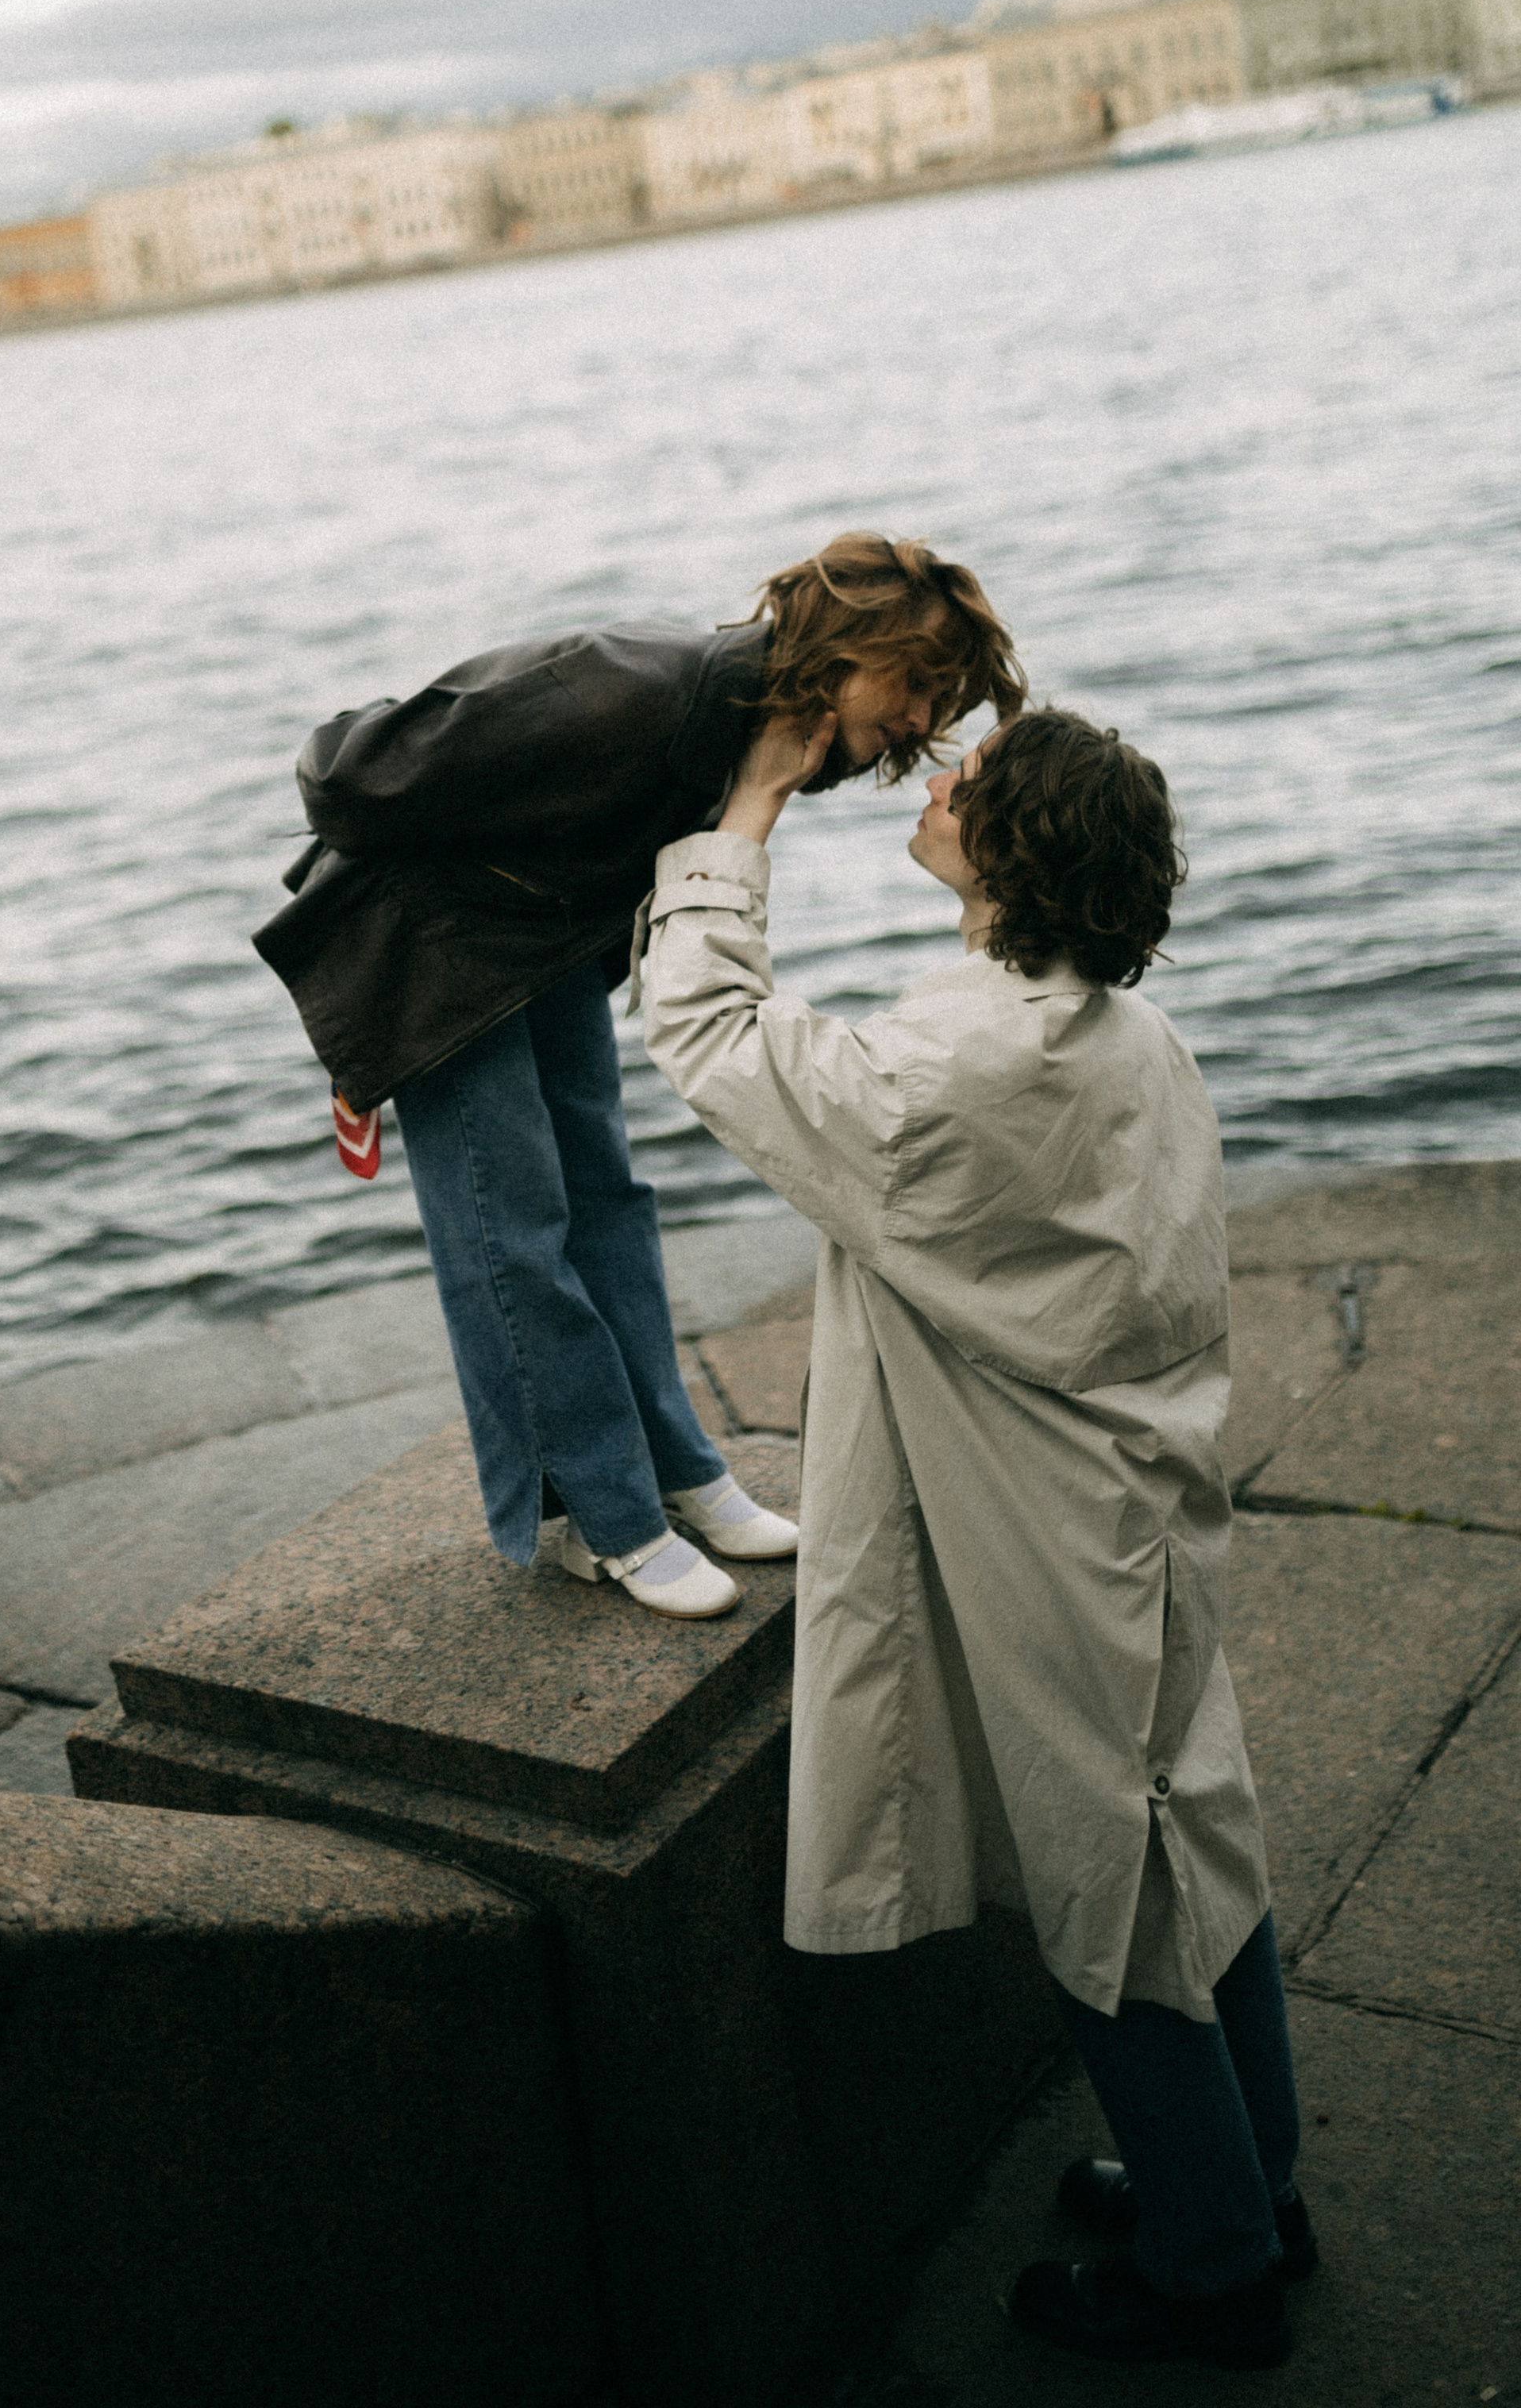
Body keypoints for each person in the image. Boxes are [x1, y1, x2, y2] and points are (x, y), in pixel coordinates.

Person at [639, 703, 1312, 2369]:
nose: (937, 783)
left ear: (1010, 859)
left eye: (970, 785)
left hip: (1051, 1534)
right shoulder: (1120, 1043)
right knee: (1190, 1840)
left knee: (1112, 1884)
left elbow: (711, 1034)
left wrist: (747, 810)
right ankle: (1250, 2181)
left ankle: (1212, 2263)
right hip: (1136, 1501)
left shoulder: (956, 1072)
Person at [252, 534, 1024, 1617]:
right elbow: (341, 766)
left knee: (608, 1201)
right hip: (431, 952)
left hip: (550, 942)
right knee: (506, 1229)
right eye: (915, 686)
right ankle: (603, 1519)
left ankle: (678, 1469)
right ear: (846, 646)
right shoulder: (622, 688)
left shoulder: (759, 730)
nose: (918, 723)